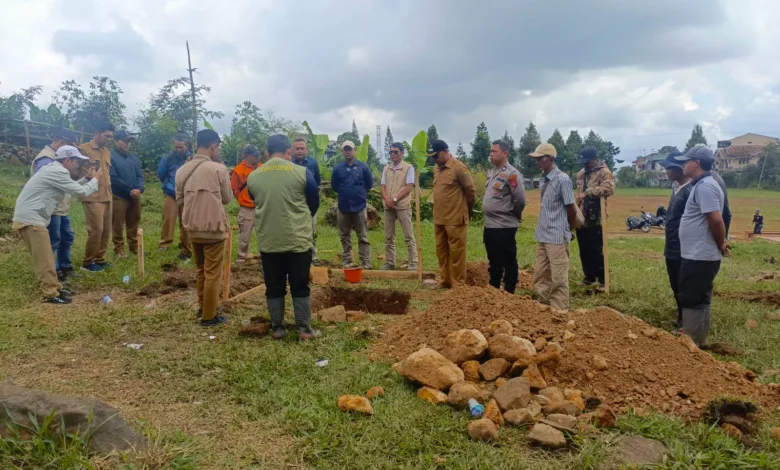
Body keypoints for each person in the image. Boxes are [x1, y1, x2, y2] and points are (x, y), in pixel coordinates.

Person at [247, 135, 321, 340]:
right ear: (289, 151)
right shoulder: (302, 173)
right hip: (297, 240)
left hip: (269, 241)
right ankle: (305, 330)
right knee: (300, 285)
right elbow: (314, 203)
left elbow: (255, 199)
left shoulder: (254, 176)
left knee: (273, 285)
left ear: (266, 152)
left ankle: (278, 328)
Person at [13, 146, 100, 304]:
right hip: (31, 218)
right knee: (44, 259)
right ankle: (50, 294)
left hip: (32, 217)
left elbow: (69, 189)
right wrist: (95, 180)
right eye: (77, 162)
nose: (78, 166)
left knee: (47, 257)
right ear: (67, 161)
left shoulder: (55, 170)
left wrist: (87, 179)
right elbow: (80, 193)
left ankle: (56, 287)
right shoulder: (58, 171)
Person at [673, 146, 729, 347]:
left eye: (686, 161)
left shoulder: (705, 186)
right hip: (698, 254)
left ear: (696, 163)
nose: (682, 165)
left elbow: (716, 221)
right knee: (699, 295)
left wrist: (722, 243)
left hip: (700, 255)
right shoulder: (702, 184)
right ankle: (698, 338)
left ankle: (692, 342)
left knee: (692, 296)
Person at [176, 129, 232, 326]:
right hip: (214, 228)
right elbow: (227, 199)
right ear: (213, 146)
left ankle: (202, 307)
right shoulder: (218, 169)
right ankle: (209, 315)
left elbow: (179, 199)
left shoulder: (182, 170)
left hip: (191, 227)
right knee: (213, 272)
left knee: (200, 269)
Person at [529, 143, 577, 310]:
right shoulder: (543, 179)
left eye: (540, 158)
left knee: (558, 277)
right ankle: (544, 307)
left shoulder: (562, 179)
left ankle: (559, 312)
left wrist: (569, 230)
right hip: (543, 234)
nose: (537, 162)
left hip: (557, 235)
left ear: (550, 158)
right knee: (541, 275)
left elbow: (571, 208)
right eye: (536, 158)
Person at [30, 128, 79, 282]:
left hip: (61, 208)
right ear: (62, 143)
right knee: (53, 241)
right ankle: (54, 271)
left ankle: (65, 266)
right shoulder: (46, 159)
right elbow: (43, 186)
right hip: (51, 209)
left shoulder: (56, 158)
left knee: (67, 237)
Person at [429, 139, 476, 288]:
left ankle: (458, 285)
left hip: (455, 219)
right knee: (441, 252)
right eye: (432, 157)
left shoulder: (459, 168)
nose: (434, 159)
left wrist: (466, 211)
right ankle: (445, 281)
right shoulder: (436, 169)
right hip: (439, 218)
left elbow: (470, 191)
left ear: (446, 152)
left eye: (436, 156)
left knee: (457, 253)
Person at [482, 140, 526, 293]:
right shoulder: (493, 172)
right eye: (490, 151)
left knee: (508, 260)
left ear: (505, 153)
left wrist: (513, 214)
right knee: (493, 259)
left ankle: (509, 290)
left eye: (494, 151)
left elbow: (519, 199)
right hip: (490, 225)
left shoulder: (512, 174)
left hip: (504, 225)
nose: (491, 154)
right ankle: (493, 288)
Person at [659, 151, 693, 327]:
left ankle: (686, 321)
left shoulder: (690, 191)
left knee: (683, 284)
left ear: (680, 168)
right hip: (671, 245)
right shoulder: (676, 189)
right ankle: (681, 316)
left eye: (669, 168)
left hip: (682, 247)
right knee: (675, 283)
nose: (666, 172)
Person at [575, 146, 615, 291]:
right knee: (584, 249)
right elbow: (577, 193)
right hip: (581, 216)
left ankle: (603, 280)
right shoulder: (581, 174)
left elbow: (609, 189)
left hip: (595, 217)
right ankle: (589, 277)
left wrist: (589, 192)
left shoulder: (604, 172)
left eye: (587, 161)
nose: (585, 164)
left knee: (596, 250)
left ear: (595, 159)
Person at [78, 120, 114, 272]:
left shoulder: (107, 152)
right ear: (96, 133)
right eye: (106, 136)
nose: (109, 139)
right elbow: (73, 171)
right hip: (92, 196)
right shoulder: (83, 150)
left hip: (107, 196)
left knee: (106, 230)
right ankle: (88, 262)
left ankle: (100, 259)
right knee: (96, 230)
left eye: (111, 137)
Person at [331, 141, 373, 268]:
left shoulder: (363, 167)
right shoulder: (337, 169)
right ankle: (347, 258)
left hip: (359, 206)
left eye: (350, 149)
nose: (348, 151)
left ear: (355, 150)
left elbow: (369, 184)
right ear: (342, 152)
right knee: (344, 235)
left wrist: (357, 193)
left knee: (363, 235)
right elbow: (335, 186)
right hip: (343, 206)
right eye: (345, 149)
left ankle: (365, 260)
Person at [379, 142, 418, 271]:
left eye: (396, 152)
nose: (393, 154)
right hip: (388, 206)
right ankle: (390, 262)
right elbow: (383, 186)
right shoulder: (386, 168)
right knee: (389, 236)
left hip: (402, 206)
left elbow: (408, 187)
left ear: (402, 153)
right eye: (391, 152)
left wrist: (394, 200)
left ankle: (413, 262)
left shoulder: (408, 168)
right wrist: (387, 200)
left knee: (408, 234)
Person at [109, 130, 144, 257]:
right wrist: (130, 189)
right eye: (124, 141)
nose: (127, 144)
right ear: (116, 141)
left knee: (134, 221)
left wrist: (139, 189)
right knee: (118, 223)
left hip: (135, 195)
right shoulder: (111, 156)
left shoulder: (134, 157)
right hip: (119, 196)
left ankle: (134, 247)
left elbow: (140, 176)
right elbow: (113, 178)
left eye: (129, 141)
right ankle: (119, 249)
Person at [158, 135, 192, 259]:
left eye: (181, 147)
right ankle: (165, 243)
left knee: (185, 221)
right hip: (170, 193)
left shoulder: (191, 159)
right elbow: (161, 174)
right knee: (168, 218)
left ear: (186, 146)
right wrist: (169, 186)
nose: (178, 149)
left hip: (186, 194)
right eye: (176, 146)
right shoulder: (167, 158)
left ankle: (185, 244)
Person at [291, 136, 322, 264]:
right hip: (293, 202)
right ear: (292, 150)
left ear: (306, 150)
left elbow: (317, 183)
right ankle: (294, 255)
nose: (300, 151)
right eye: (297, 148)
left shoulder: (313, 164)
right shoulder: (288, 163)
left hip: (309, 203)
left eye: (302, 148)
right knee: (293, 229)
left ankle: (313, 256)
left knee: (311, 229)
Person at [231, 145, 261, 263]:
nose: (258, 157)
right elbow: (235, 189)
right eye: (255, 156)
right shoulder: (238, 170)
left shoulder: (262, 167)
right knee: (245, 234)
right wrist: (242, 200)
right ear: (248, 156)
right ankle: (241, 257)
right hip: (246, 208)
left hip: (261, 206)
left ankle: (263, 256)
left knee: (263, 233)